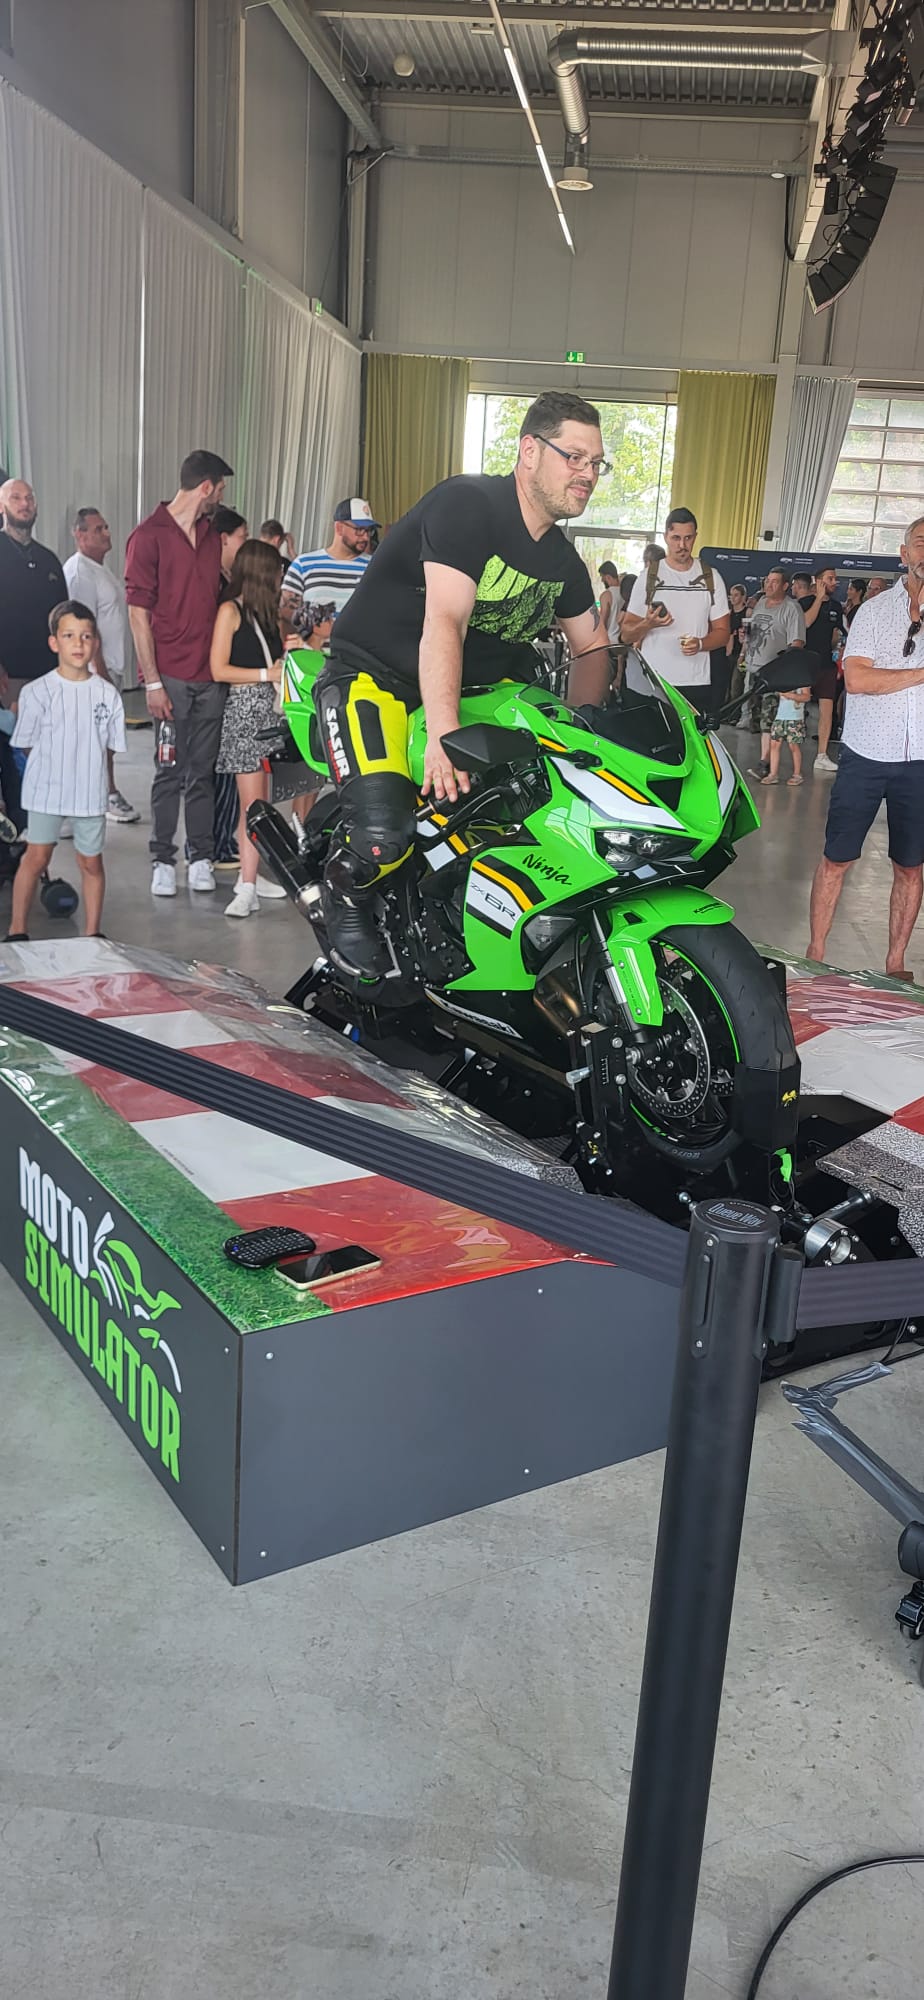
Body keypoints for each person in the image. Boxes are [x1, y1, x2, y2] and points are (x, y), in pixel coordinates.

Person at [316, 389, 612, 976]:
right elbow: (446, 620)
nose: (587, 474)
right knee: (384, 830)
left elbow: (594, 647)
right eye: (574, 457)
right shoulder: (469, 505)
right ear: (530, 451)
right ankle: (343, 898)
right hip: (375, 678)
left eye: (597, 463)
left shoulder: (562, 562)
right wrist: (443, 735)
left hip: (475, 694)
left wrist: (587, 735)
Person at [808, 518, 924, 981]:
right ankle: (814, 955)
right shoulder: (875, 612)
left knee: (911, 866)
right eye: (922, 543)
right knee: (837, 859)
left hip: (919, 760)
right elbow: (857, 680)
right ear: (904, 554)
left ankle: (895, 964)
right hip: (867, 754)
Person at [125, 448, 233, 899]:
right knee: (169, 771)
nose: (221, 497)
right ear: (206, 487)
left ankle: (201, 857)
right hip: (168, 677)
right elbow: (137, 614)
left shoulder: (211, 536)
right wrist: (151, 681)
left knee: (202, 773)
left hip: (210, 677)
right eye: (220, 489)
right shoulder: (147, 536)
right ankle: (162, 859)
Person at [6, 601, 125, 941]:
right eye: (69, 635)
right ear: (54, 642)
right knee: (36, 858)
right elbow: (25, 744)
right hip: (46, 791)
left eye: (86, 636)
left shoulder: (107, 695)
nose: (78, 643)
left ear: (95, 643)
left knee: (91, 863)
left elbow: (110, 746)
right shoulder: (36, 692)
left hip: (88, 792)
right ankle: (17, 930)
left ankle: (92, 934)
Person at [210, 539, 285, 920]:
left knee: (260, 803)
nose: (281, 579)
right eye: (276, 572)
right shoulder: (231, 611)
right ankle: (247, 887)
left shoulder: (266, 614)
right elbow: (218, 669)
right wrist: (265, 674)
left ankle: (250, 875)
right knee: (252, 805)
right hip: (245, 712)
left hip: (269, 714)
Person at [63, 507, 139, 823]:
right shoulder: (79, 573)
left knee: (104, 738)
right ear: (79, 535)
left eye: (106, 527)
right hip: (95, 671)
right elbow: (82, 628)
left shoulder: (99, 568)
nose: (106, 533)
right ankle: (95, 798)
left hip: (111, 668)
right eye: (98, 529)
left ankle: (105, 792)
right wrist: (99, 671)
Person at [621, 508, 730, 710]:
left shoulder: (711, 577)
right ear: (666, 537)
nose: (682, 545)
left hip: (696, 682)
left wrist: (700, 644)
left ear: (695, 537)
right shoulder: (648, 577)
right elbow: (626, 635)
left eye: (688, 538)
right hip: (652, 683)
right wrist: (648, 624)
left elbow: (723, 632)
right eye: (676, 538)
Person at [0, 478, 67, 704]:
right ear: (1, 507)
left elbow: (63, 618)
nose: (24, 504)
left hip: (49, 675)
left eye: (29, 498)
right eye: (16, 498)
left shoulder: (49, 560)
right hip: (8, 679)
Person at [738, 568, 805, 779]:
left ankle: (765, 763)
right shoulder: (760, 603)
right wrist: (743, 647)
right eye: (767, 581)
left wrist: (784, 672)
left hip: (774, 675)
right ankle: (765, 759)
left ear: (785, 586)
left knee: (769, 720)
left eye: (775, 582)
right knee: (757, 717)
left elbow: (797, 643)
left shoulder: (792, 609)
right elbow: (752, 632)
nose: (769, 584)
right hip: (753, 668)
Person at [281, 498, 379, 633]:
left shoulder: (375, 568)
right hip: (311, 647)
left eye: (369, 531)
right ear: (339, 528)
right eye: (359, 530)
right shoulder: (303, 565)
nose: (366, 537)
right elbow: (285, 615)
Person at [800, 565, 845, 775]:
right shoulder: (804, 602)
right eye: (830, 578)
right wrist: (818, 598)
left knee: (826, 710)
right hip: (805, 664)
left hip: (826, 665)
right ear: (818, 581)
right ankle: (784, 752)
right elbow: (805, 623)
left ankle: (822, 755)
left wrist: (838, 652)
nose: (834, 582)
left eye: (835, 579)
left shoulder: (836, 606)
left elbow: (838, 635)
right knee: (793, 710)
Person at [761, 661, 811, 789]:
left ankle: (797, 774)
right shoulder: (784, 679)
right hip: (780, 716)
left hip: (794, 718)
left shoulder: (803, 681)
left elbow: (806, 697)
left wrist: (790, 695)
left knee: (793, 745)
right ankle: (773, 774)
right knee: (774, 744)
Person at [598, 560, 623, 644]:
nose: (602, 580)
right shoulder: (627, 592)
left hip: (611, 642)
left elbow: (602, 622)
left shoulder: (606, 595)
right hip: (625, 641)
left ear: (608, 577)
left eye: (602, 577)